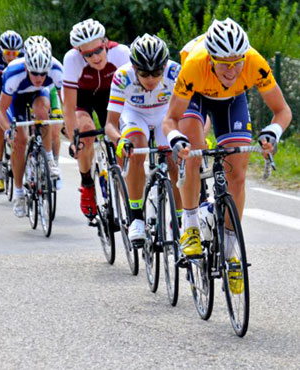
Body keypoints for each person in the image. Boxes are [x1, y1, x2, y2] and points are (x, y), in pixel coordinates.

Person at [162, 18, 292, 258]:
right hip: (197, 96)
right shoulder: (193, 65)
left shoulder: (254, 63)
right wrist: (175, 138)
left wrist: (272, 133)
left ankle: (231, 250)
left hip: (233, 100)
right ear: (211, 59)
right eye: (225, 64)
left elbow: (283, 111)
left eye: (237, 63)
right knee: (192, 151)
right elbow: (170, 119)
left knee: (238, 175)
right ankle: (190, 225)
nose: (232, 71)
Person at [105, 33, 183, 242]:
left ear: (164, 67)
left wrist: (199, 133)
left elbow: (196, 111)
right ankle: (136, 218)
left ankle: (179, 219)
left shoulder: (175, 72)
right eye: (144, 73)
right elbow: (110, 124)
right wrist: (120, 140)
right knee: (137, 148)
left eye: (157, 72)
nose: (151, 79)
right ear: (134, 68)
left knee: (174, 157)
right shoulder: (122, 76)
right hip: (134, 114)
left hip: (164, 114)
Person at [63, 18, 130, 219]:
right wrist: (75, 138)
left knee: (121, 138)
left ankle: (122, 188)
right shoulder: (71, 60)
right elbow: (68, 106)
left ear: (105, 43)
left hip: (112, 95)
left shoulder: (121, 53)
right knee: (85, 131)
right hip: (84, 98)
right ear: (79, 52)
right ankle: (87, 184)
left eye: (99, 50)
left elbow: (133, 95)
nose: (95, 57)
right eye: (88, 54)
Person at [0, 43, 63, 217]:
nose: (39, 77)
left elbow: (67, 104)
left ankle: (48, 159)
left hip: (39, 94)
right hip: (16, 97)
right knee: (20, 140)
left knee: (42, 112)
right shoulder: (13, 73)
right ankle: (18, 193)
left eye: (43, 73)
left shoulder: (56, 69)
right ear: (26, 67)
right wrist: (7, 131)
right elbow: (0, 111)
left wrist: (69, 125)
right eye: (35, 73)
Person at [0, 30, 23, 193]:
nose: (11, 56)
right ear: (2, 50)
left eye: (14, 53)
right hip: (2, 92)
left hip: (19, 92)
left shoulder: (24, 55)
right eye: (8, 53)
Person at [23, 35, 63, 182]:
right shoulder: (22, 66)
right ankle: (30, 160)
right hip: (26, 94)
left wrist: (58, 112)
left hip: (48, 93)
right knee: (23, 133)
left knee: (54, 130)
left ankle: (53, 162)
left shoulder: (55, 66)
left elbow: (57, 93)